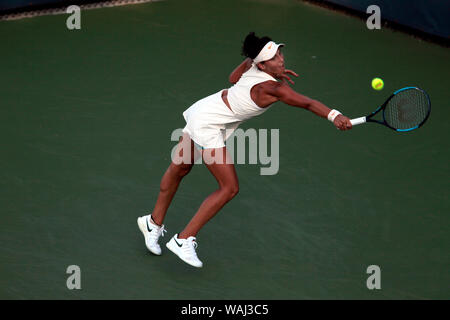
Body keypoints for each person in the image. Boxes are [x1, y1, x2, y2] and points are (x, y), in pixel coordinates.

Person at [137, 32, 352, 268]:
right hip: (207, 124)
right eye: (274, 57)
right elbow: (308, 103)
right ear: (262, 64)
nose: (281, 59)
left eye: (280, 53)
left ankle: (153, 223)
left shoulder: (254, 68)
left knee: (180, 168)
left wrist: (256, 62)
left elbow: (232, 77)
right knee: (229, 188)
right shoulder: (273, 89)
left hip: (206, 109)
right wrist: (335, 115)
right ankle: (184, 239)